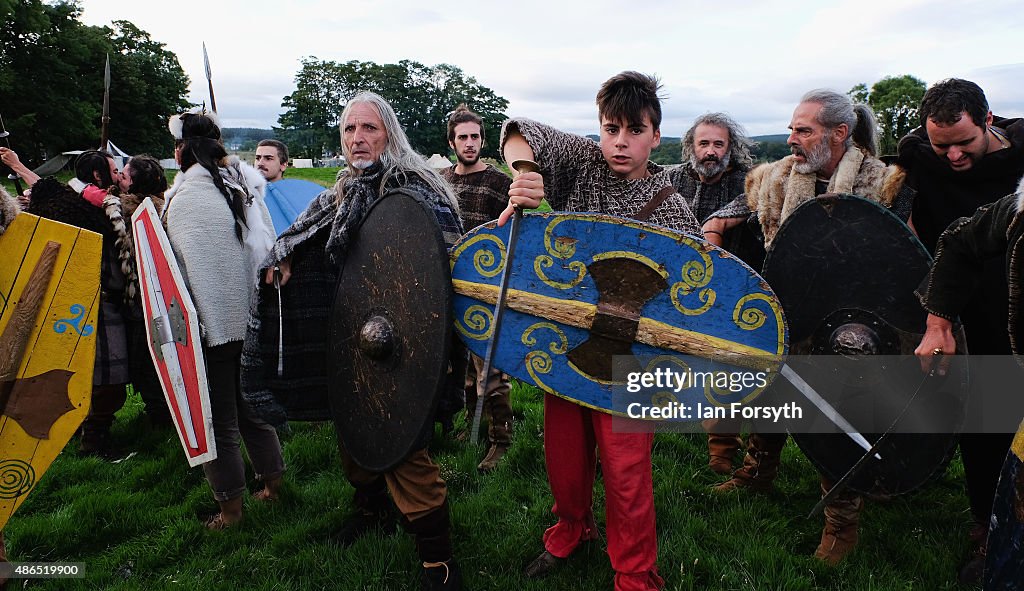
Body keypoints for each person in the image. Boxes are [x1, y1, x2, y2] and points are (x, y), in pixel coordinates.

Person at [243, 92, 464, 590]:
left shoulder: (416, 190)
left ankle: (439, 559)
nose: (358, 138)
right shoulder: (338, 194)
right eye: (349, 130)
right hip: (351, 336)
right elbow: (298, 238)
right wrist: (289, 260)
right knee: (353, 432)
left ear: (389, 133)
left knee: (402, 444)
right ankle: (370, 510)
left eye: (369, 128)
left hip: (405, 343)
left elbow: (444, 266)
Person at [500, 71, 699, 591]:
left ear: (656, 136)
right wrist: (525, 175)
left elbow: (691, 297)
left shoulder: (673, 209)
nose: (620, 142)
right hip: (567, 346)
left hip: (630, 360)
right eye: (611, 129)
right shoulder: (582, 166)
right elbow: (521, 130)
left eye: (634, 130)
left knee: (626, 471)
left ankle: (634, 572)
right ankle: (572, 527)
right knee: (564, 459)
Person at [703, 89, 912, 565]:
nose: (792, 138)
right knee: (770, 396)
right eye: (792, 128)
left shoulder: (884, 186)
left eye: (804, 130)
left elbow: (901, 262)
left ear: (840, 133)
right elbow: (725, 213)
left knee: (836, 420)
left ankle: (842, 520)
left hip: (851, 324)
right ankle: (757, 474)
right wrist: (714, 235)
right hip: (786, 310)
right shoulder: (775, 180)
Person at [895, 78, 1024, 583]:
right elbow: (956, 242)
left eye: (963, 144)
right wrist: (939, 315)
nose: (950, 156)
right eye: (939, 144)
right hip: (964, 305)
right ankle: (988, 524)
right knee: (986, 417)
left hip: (1017, 296)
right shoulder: (920, 157)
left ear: (989, 122)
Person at [163, 110, 285, 529]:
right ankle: (273, 486)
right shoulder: (247, 189)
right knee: (252, 409)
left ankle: (230, 511)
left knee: (218, 421)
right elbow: (268, 253)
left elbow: (172, 275)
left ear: (181, 152)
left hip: (209, 331)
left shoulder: (182, 200)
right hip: (251, 324)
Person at [1, 147, 135, 459]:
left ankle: (84, 432)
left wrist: (20, 166)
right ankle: (92, 441)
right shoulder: (84, 208)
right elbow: (52, 194)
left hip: (103, 303)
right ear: (99, 175)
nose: (119, 176)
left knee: (102, 380)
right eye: (114, 171)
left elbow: (50, 192)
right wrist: (19, 166)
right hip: (91, 304)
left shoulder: (102, 205)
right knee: (105, 380)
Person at [666, 112, 756, 475]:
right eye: (704, 143)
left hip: (727, 293)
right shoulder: (669, 178)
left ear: (730, 149)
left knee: (724, 370)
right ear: (691, 146)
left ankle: (722, 448)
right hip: (673, 287)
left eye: (719, 144)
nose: (710, 151)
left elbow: (758, 198)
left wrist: (717, 224)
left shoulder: (746, 183)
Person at [439, 104, 514, 472]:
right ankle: (473, 422)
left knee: (491, 369)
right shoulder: (441, 180)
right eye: (462, 137)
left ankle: (501, 438)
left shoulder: (500, 183)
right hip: (451, 286)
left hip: (487, 288)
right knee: (464, 367)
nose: (470, 144)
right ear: (451, 141)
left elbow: (515, 234)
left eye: (475, 136)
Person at [112, 155, 174, 428]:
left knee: (148, 359)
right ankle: (161, 411)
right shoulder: (165, 206)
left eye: (124, 176)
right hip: (159, 298)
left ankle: (160, 413)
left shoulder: (130, 211)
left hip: (144, 297)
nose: (118, 179)